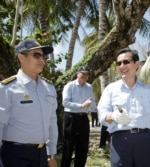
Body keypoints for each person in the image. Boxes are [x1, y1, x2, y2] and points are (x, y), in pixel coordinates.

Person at [97, 48, 150, 167]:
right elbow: (102, 116)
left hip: (145, 139)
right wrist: (114, 116)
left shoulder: (149, 86)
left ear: (137, 64)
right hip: (120, 140)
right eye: (118, 63)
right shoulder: (111, 89)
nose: (122, 66)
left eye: (126, 62)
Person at [0, 39, 58, 167]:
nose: (42, 60)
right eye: (36, 55)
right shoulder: (7, 88)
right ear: (21, 57)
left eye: (43, 56)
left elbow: (52, 123)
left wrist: (51, 155)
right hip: (16, 155)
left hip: (42, 155)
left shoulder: (49, 88)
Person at [61, 66, 97, 167]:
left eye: (87, 74)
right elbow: (65, 102)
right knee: (68, 146)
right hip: (71, 118)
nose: (85, 76)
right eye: (83, 73)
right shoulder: (69, 86)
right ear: (77, 74)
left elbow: (92, 101)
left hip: (83, 118)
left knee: (83, 147)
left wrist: (96, 110)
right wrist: (81, 106)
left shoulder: (89, 87)